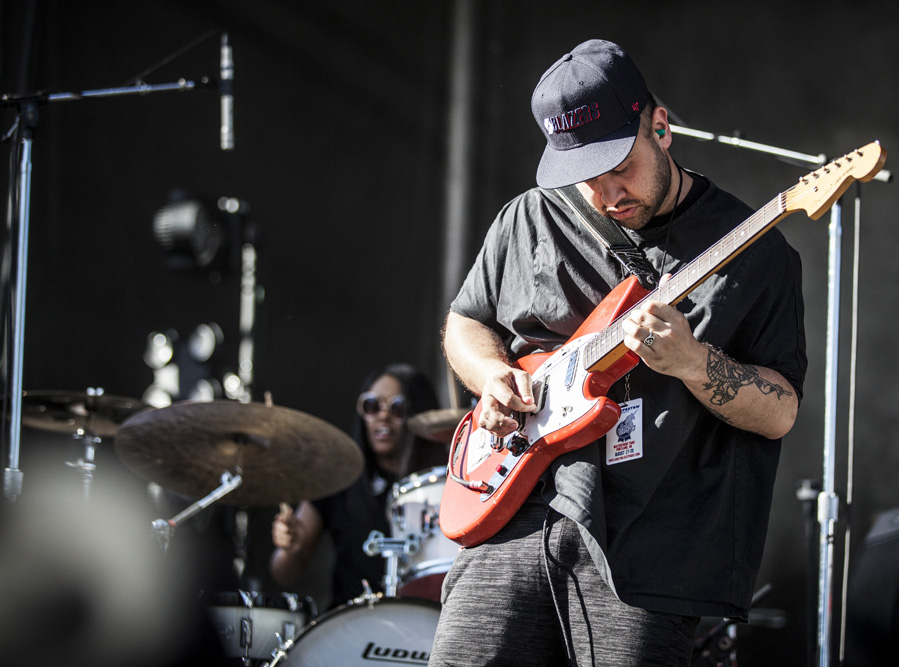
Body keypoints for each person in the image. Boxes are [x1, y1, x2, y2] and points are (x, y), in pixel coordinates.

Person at [429, 39, 807, 667]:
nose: (605, 194)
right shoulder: (527, 220)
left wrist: (692, 363)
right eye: (584, 175)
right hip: (510, 516)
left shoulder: (755, 253)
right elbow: (465, 322)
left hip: (649, 550)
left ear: (661, 127)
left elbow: (781, 412)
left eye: (618, 165)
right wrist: (492, 374)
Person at [270, 363, 444, 609]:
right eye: (372, 406)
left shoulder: (443, 484)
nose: (382, 416)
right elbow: (283, 574)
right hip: (349, 626)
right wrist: (290, 549)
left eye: (397, 408)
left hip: (425, 623)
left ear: (419, 412)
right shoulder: (338, 476)